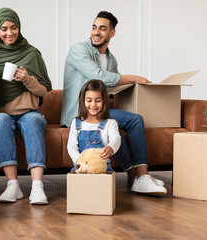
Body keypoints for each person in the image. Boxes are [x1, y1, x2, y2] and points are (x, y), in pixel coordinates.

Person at [61, 11, 167, 195]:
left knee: (115, 125)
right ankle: (141, 175)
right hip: (79, 113)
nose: (96, 32)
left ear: (112, 33)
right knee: (135, 120)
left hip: (100, 111)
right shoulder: (78, 50)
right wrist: (134, 78)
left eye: (102, 28)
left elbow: (110, 88)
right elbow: (98, 77)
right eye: (94, 27)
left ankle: (139, 178)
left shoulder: (111, 60)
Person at [0, 8, 52, 204]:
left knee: (32, 121)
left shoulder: (32, 54)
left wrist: (28, 79)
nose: (9, 33)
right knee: (0, 120)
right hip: (1, 114)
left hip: (29, 112)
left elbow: (44, 92)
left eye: (13, 27)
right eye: (4, 28)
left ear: (19, 28)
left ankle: (37, 186)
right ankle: (12, 185)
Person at [67, 80, 121, 172]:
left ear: (104, 101)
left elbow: (116, 139)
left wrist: (110, 147)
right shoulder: (76, 123)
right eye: (89, 100)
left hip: (102, 169)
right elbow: (71, 146)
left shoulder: (110, 123)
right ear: (82, 100)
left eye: (98, 100)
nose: (93, 104)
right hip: (81, 167)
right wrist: (79, 161)